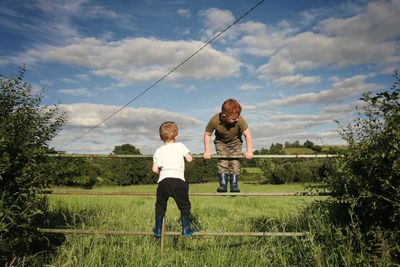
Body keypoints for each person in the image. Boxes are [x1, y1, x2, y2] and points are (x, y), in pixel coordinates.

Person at [152, 121, 197, 237]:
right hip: (178, 181)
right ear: (176, 134)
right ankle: (186, 229)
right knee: (184, 205)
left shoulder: (158, 150)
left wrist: (160, 173)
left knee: (160, 205)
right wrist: (187, 155)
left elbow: (154, 169)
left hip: (163, 182)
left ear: (161, 136)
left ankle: (157, 229)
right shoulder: (180, 146)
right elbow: (190, 159)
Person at [203, 99, 253, 193]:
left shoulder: (239, 119)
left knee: (234, 162)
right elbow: (207, 134)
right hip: (221, 142)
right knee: (223, 161)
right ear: (224, 115)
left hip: (235, 142)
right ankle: (223, 185)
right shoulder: (215, 120)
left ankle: (234, 185)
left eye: (237, 117)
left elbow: (248, 135)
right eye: (234, 119)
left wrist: (249, 151)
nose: (236, 119)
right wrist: (207, 151)